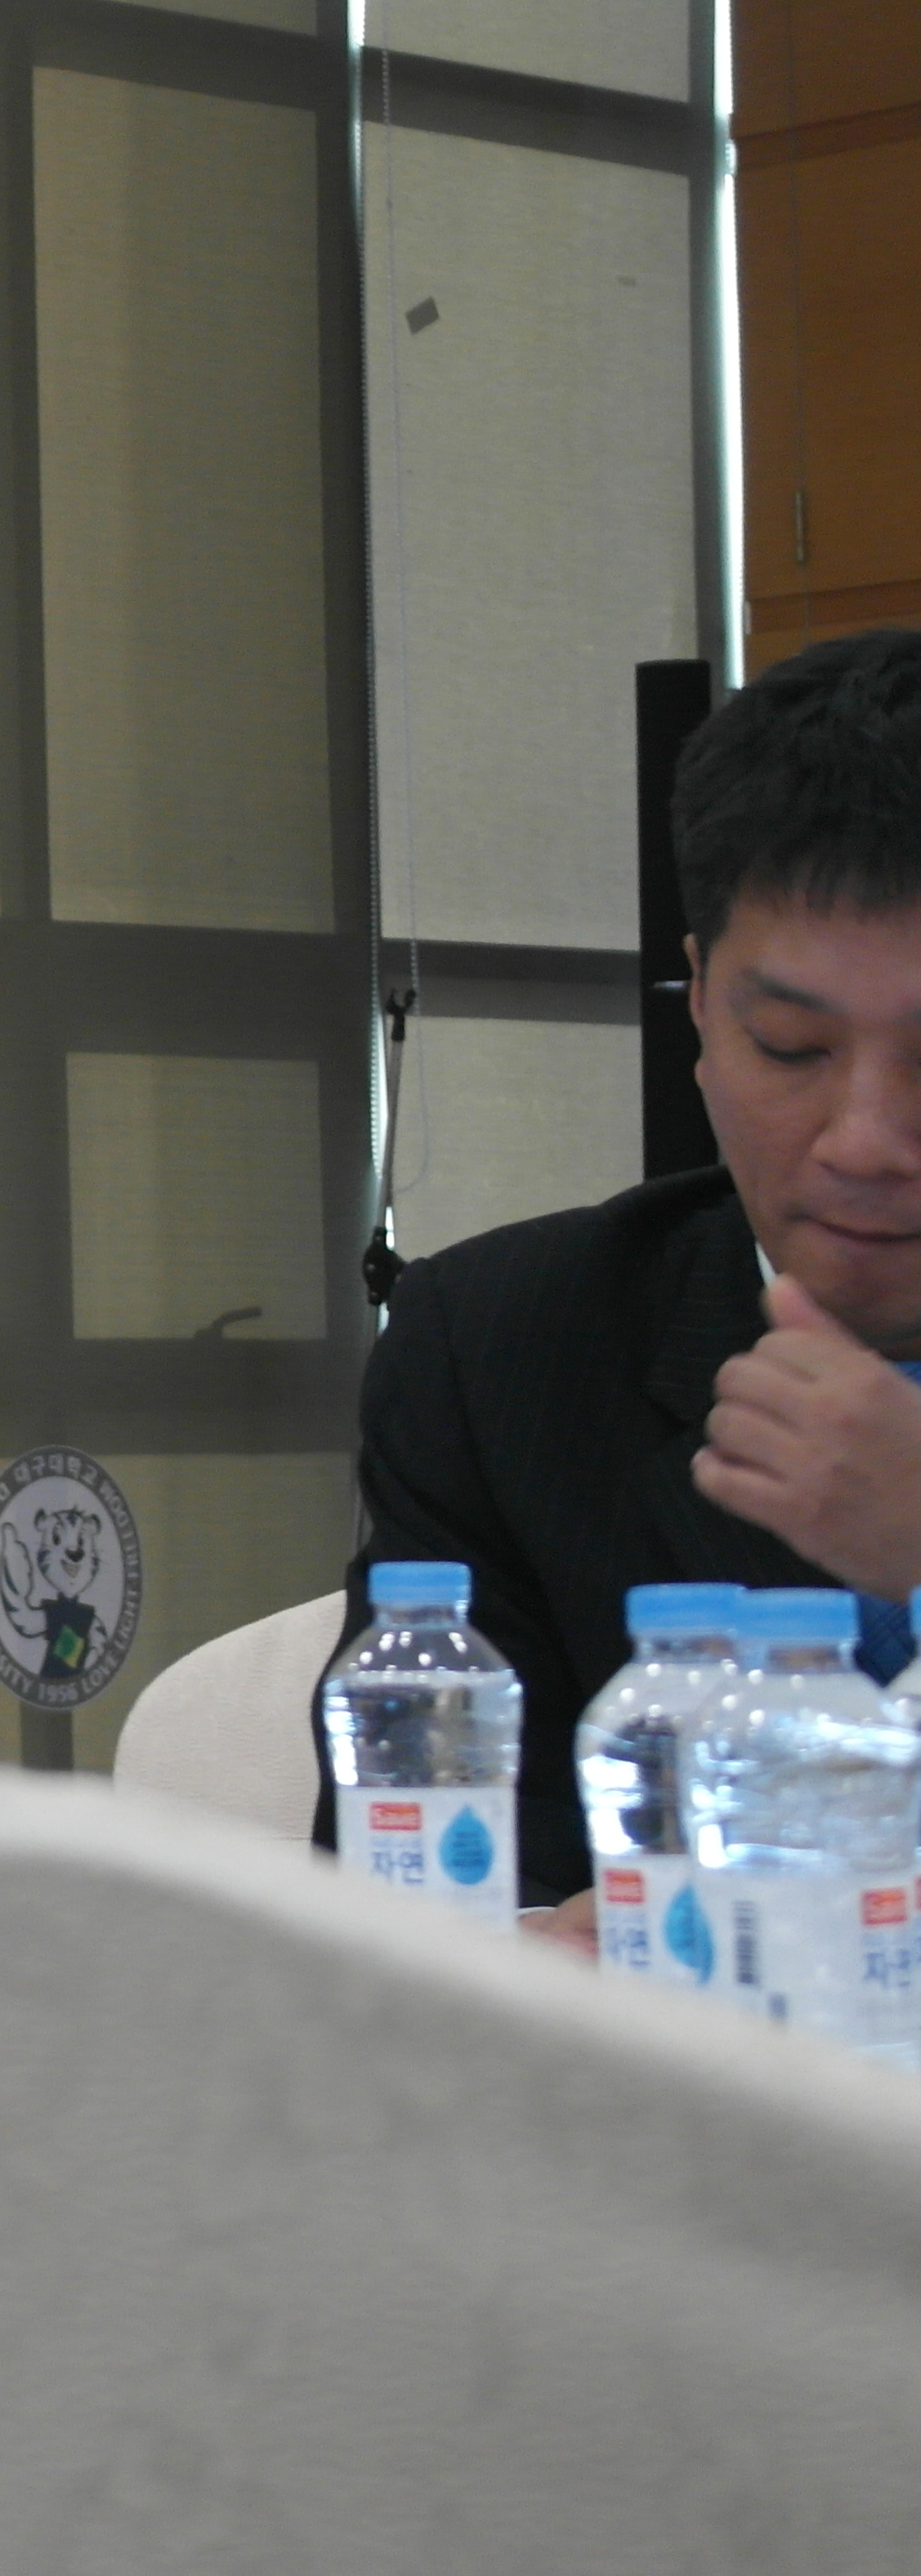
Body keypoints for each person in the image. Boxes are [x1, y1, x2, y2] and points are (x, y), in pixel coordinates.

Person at [333, 624, 921, 1910]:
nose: (865, 1141)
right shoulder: (507, 1349)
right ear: (700, 1001)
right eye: (791, 1046)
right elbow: (417, 1900)